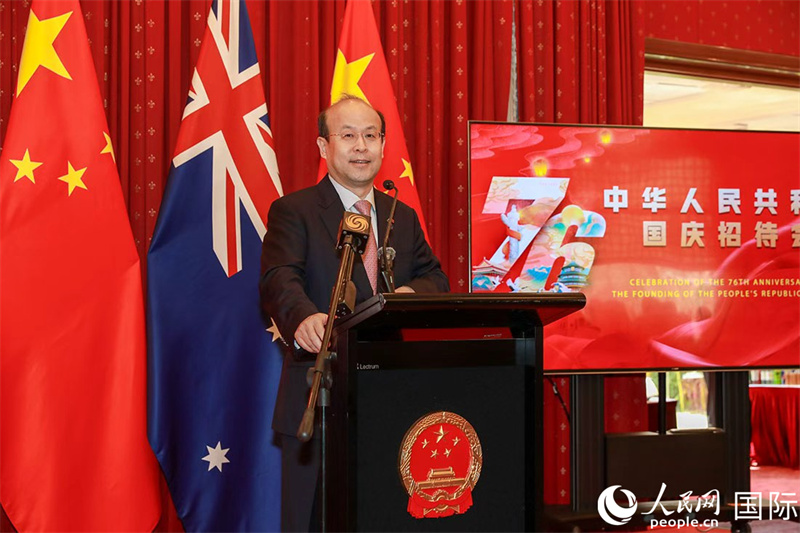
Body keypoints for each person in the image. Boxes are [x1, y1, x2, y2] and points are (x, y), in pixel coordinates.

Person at [260, 95, 449, 531]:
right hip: (319, 393)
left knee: (384, 517)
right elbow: (278, 278)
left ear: (383, 145)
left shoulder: (401, 215)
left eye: (371, 135)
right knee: (315, 520)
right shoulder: (295, 210)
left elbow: (435, 278)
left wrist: (408, 293)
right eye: (348, 136)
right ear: (324, 146)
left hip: (389, 396)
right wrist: (303, 317)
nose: (361, 146)